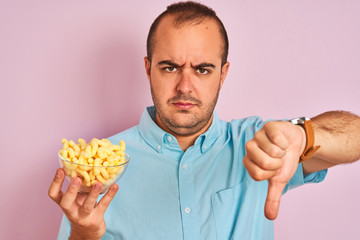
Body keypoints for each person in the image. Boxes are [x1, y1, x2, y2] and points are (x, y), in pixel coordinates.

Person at [48, 1, 360, 239]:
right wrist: (83, 235)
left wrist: (306, 136)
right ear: (148, 69)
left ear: (223, 74)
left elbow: (355, 136)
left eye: (202, 69)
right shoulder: (98, 162)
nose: (185, 86)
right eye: (170, 67)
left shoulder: (261, 144)